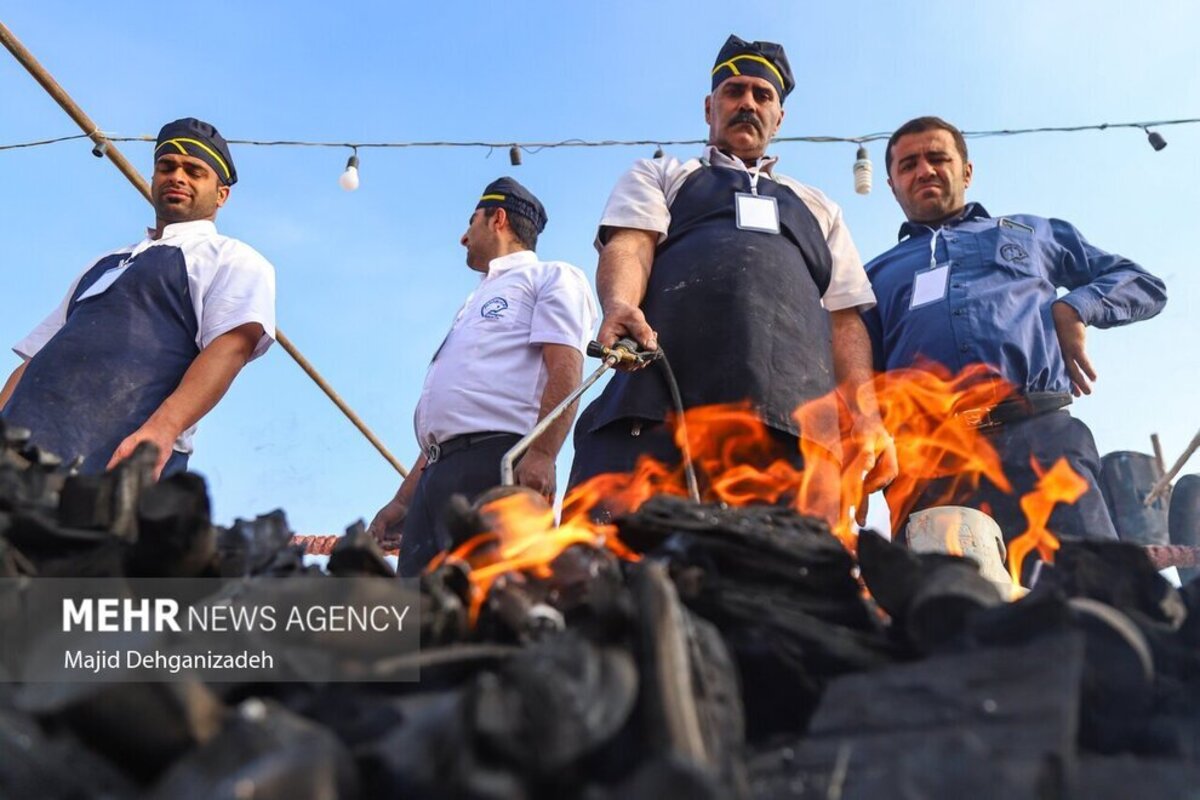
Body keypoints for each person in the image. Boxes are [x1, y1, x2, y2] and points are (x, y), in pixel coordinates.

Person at [567, 34, 896, 519]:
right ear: (709, 107)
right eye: (734, 91)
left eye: (763, 95)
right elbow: (631, 244)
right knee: (621, 580)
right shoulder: (664, 174)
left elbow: (845, 319)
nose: (748, 103)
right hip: (659, 416)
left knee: (787, 588)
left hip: (795, 437)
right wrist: (621, 303)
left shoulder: (820, 208)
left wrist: (865, 416)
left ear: (779, 117)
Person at [862, 116, 1167, 541]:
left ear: (967, 171)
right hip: (928, 462)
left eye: (937, 158)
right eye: (908, 164)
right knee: (950, 602)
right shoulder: (872, 275)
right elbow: (855, 370)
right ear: (892, 184)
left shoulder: (1034, 232)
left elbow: (1143, 282)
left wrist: (1076, 307)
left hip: (1041, 439)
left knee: (1089, 594)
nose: (925, 171)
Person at [0, 117, 276, 479]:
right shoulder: (103, 263)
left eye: (194, 171)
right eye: (166, 167)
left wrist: (162, 428)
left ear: (221, 194)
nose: (177, 176)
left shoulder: (232, 258)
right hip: (18, 450)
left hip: (112, 454)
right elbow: (37, 358)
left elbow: (231, 347)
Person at [368, 178, 597, 575]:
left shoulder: (551, 277)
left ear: (498, 219)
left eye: (471, 221)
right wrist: (403, 500)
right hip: (436, 476)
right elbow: (458, 417)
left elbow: (565, 367)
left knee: (493, 608)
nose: (462, 237)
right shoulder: (473, 301)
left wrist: (542, 454)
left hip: (500, 464)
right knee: (423, 623)